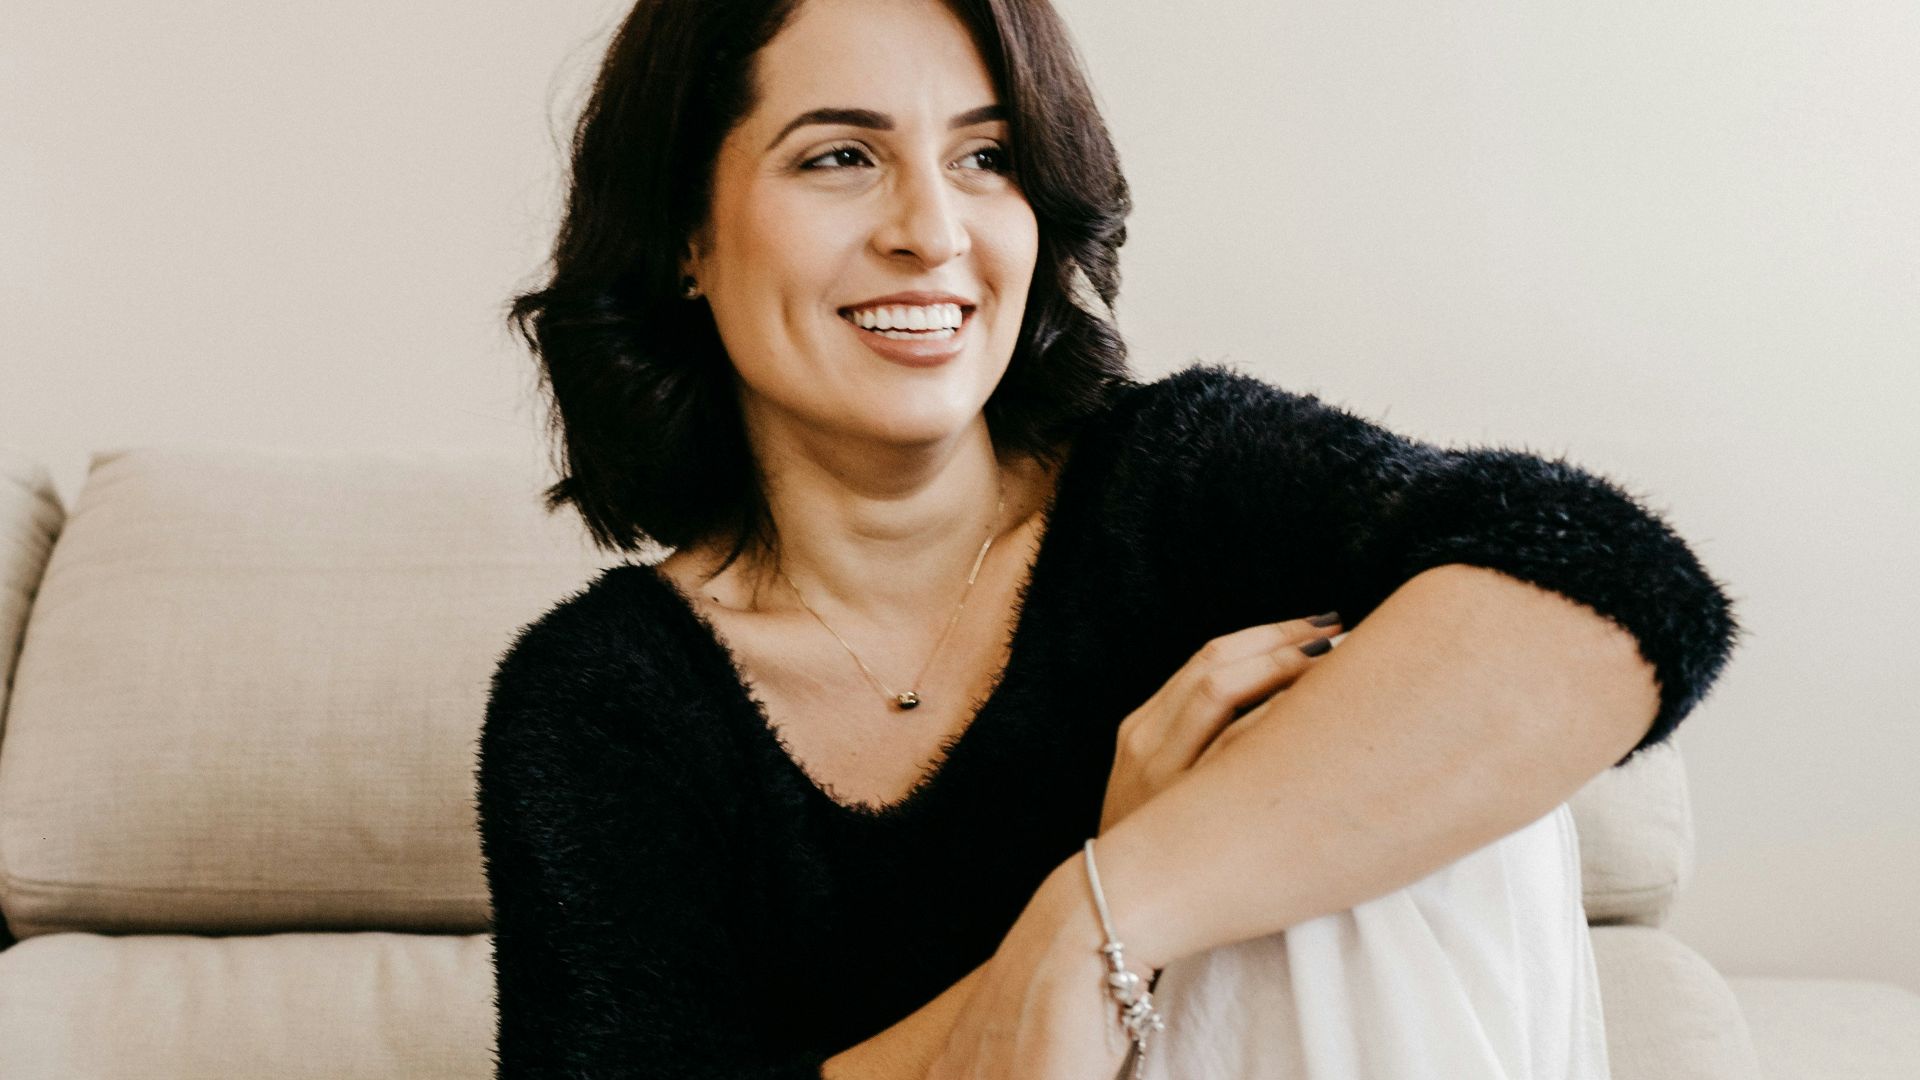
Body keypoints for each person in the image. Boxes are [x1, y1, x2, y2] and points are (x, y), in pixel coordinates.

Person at [475, 0, 1741, 1076]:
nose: (932, 230)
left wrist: (1118, 903)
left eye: (987, 157)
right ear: (687, 238)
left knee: (1408, 756)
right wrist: (1053, 956)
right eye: (841, 157)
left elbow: (1621, 591)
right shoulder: (603, 701)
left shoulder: (1182, 483)